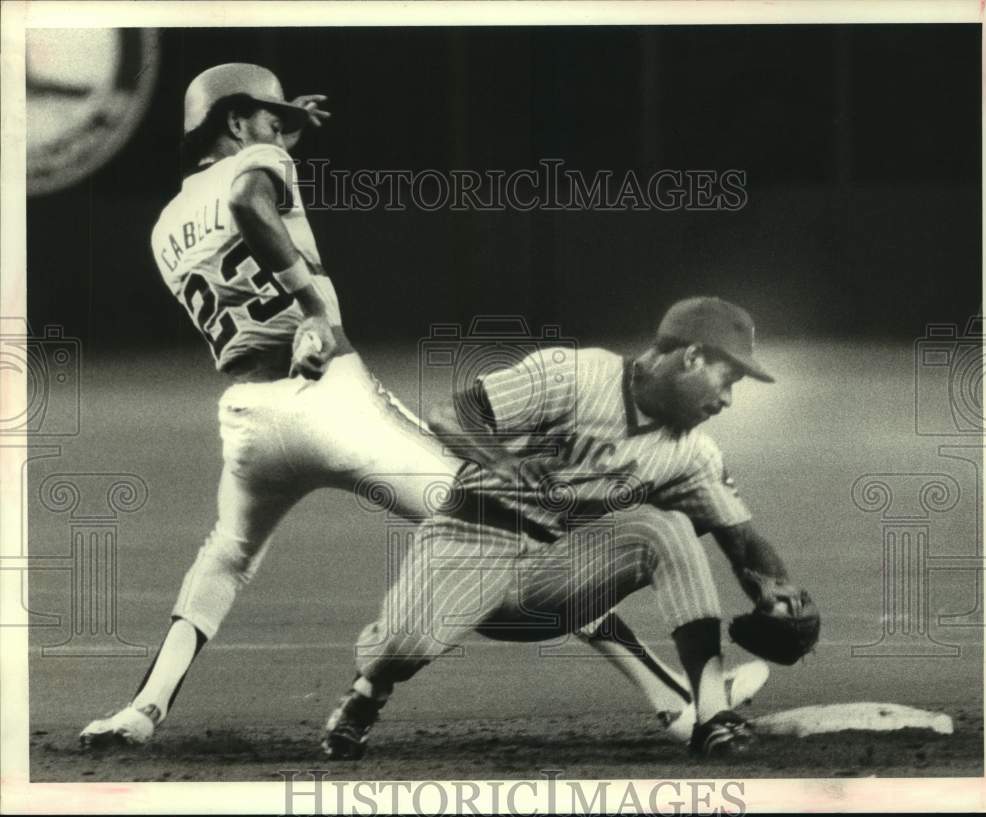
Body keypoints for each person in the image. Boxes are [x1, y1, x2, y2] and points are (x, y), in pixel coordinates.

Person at [79, 66, 766, 749]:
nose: (280, 132)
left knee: (224, 556)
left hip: (250, 419)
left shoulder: (164, 227)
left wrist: (279, 125)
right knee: (516, 524)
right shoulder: (262, 162)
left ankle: (143, 707)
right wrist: (313, 306)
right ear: (234, 123)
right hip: (331, 398)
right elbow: (250, 202)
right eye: (266, 117)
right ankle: (677, 702)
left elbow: (236, 214)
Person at [322, 297, 809, 759]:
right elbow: (448, 415)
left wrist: (777, 590)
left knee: (667, 527)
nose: (726, 400)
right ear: (693, 357)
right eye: (728, 379)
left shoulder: (693, 455)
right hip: (469, 542)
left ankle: (712, 715)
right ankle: (368, 692)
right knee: (403, 648)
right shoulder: (574, 374)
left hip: (555, 580)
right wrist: (502, 460)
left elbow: (742, 541)